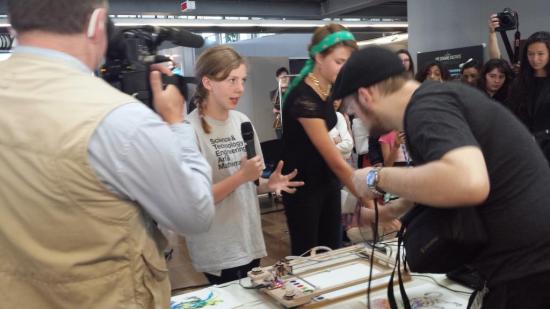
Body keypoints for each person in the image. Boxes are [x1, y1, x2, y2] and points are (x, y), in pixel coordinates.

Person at [1, 0, 216, 308]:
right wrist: (176, 122)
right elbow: (196, 215)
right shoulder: (119, 120)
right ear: (96, 23)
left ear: (14, 23)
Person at [330, 46, 550, 309]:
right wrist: (395, 210)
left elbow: (467, 182)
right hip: (524, 263)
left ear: (366, 95)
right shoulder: (436, 99)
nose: (355, 116)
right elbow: (444, 180)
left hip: (527, 270)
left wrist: (375, 177)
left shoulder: (426, 107)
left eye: (353, 107)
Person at [186, 45, 303, 284]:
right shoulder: (188, 131)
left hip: (250, 242)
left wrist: (266, 184)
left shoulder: (242, 122)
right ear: (208, 83)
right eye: (231, 80)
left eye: (242, 80)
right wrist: (241, 177)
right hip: (219, 251)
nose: (240, 88)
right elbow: (197, 201)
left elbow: (249, 182)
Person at [281, 23, 358, 256]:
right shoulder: (303, 97)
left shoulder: (328, 90)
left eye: (348, 63)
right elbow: (333, 157)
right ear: (318, 56)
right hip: (304, 189)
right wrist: (363, 190)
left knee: (331, 253)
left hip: (327, 183)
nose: (344, 69)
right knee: (308, 257)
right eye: (339, 61)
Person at [506, 31, 550, 164]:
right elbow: (511, 117)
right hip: (525, 152)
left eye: (540, 54)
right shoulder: (518, 84)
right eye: (531, 54)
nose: (535, 59)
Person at [270, 67, 289, 139]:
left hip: (292, 122)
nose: (284, 79)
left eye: (286, 77)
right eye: (281, 77)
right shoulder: (273, 93)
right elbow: (277, 107)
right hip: (279, 123)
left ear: (289, 78)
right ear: (277, 79)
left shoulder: (294, 91)